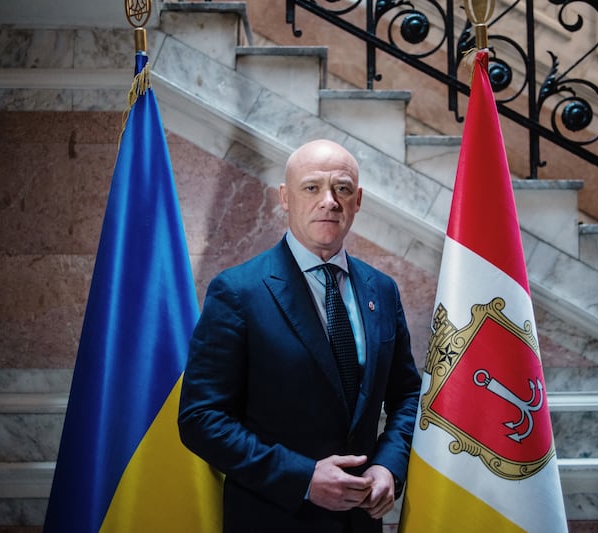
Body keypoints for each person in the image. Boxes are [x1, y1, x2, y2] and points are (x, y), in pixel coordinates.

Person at [178, 139, 422, 532]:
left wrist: (388, 466)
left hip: (361, 523)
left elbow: (408, 396)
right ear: (285, 197)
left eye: (342, 188)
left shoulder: (382, 289)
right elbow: (200, 418)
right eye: (311, 187)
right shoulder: (238, 291)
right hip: (274, 518)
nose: (329, 201)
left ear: (357, 200)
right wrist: (302, 478)